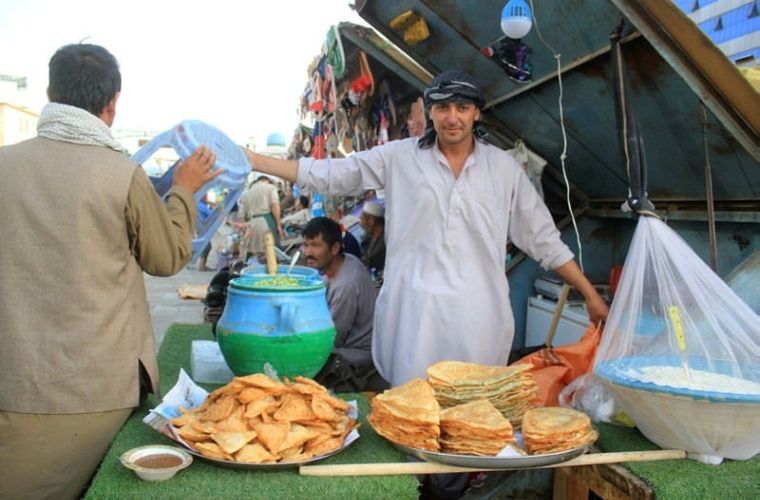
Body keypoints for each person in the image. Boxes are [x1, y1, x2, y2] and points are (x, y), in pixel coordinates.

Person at [244, 69, 608, 388]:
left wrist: (589, 294)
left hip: (478, 319)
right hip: (412, 318)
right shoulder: (399, 157)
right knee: (410, 416)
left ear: (476, 112)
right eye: (443, 107)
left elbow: (543, 239)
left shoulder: (504, 169)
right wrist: (256, 161)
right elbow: (336, 174)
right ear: (429, 110)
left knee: (471, 421)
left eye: (462, 107)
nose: (452, 118)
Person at [0, 43, 220, 499]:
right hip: (97, 390)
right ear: (113, 101)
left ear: (50, 92)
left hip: (13, 383)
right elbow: (166, 258)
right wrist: (183, 191)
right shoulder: (120, 174)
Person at [302, 217, 387, 392]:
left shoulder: (345, 287)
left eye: (316, 245)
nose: (308, 252)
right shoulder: (347, 260)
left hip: (357, 357)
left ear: (334, 248)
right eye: (306, 245)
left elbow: (332, 339)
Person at [239, 175, 284, 260]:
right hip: (266, 222)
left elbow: (241, 216)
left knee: (254, 254)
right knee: (270, 254)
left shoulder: (247, 193)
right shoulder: (270, 188)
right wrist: (278, 225)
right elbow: (275, 206)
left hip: (251, 225)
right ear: (267, 181)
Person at [359, 200, 386, 274]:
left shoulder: (385, 242)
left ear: (371, 220)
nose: (360, 223)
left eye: (361, 218)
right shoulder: (367, 238)